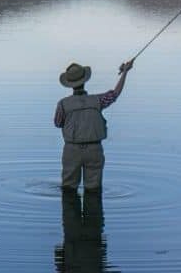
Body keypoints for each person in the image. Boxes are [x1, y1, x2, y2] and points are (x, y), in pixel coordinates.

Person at [54, 59, 133, 191]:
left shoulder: (63, 104)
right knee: (93, 189)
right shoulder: (98, 100)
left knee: (68, 188)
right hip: (94, 150)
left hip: (71, 151)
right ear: (85, 81)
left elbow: (58, 123)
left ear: (70, 84)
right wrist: (125, 72)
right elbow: (115, 94)